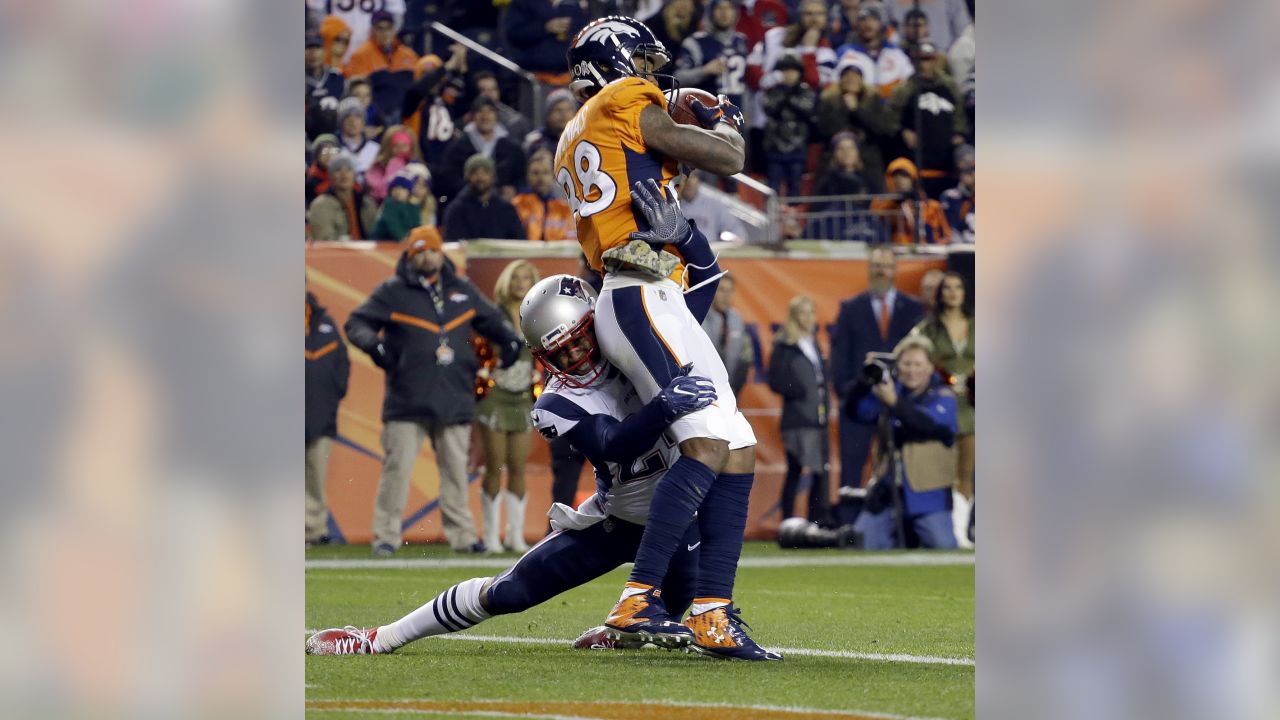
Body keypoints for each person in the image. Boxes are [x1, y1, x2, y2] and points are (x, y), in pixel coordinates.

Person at [308, 260, 777, 660]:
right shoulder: (553, 403)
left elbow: (698, 294)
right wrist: (664, 407)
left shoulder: (637, 347)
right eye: (560, 351)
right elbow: (615, 443)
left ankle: (615, 637)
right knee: (511, 592)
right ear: (543, 357)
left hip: (676, 523)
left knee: (681, 611)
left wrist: (690, 241)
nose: (575, 357)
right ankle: (378, 638)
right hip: (617, 522)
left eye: (578, 340)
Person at [556, 20, 765, 655]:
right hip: (639, 291)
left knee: (739, 443)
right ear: (615, 64)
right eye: (641, 60)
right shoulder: (621, 101)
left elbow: (641, 166)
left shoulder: (581, 128)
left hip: (649, 289)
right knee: (703, 442)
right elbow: (728, 158)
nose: (652, 73)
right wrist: (724, 120)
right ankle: (639, 598)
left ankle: (711, 608)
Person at [343, 227, 524, 555]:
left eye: (432, 251)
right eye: (420, 251)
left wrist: (509, 339)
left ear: (442, 253)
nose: (427, 257)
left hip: (453, 395)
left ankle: (464, 537)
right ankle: (386, 535)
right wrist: (376, 347)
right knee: (397, 469)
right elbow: (356, 323)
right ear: (410, 255)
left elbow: (493, 320)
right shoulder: (392, 290)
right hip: (406, 396)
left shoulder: (462, 290)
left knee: (456, 472)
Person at [845, 334, 958, 549]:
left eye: (918, 364)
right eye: (906, 364)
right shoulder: (889, 390)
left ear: (930, 367)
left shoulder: (943, 396)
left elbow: (926, 423)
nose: (911, 370)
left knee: (943, 546)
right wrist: (863, 382)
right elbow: (856, 412)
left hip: (928, 493)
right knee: (860, 543)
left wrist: (893, 402)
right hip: (888, 492)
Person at [830, 245, 923, 490]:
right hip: (859, 401)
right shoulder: (851, 307)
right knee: (851, 471)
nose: (881, 270)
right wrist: (848, 392)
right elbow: (840, 353)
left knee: (902, 470)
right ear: (869, 269)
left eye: (886, 266)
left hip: (899, 400)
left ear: (895, 270)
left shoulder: (914, 308)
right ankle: (849, 525)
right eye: (877, 265)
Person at [474, 261, 542, 554]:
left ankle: (515, 536)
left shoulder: (537, 313)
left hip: (524, 396)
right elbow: (478, 347)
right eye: (515, 277)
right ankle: (491, 536)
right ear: (506, 281)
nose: (520, 282)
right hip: (495, 394)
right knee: (494, 465)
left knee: (517, 466)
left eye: (526, 277)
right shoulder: (493, 313)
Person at [909, 271, 975, 548]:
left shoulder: (977, 324)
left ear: (964, 292)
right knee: (943, 470)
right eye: (947, 288)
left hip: (972, 406)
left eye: (957, 287)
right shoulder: (929, 327)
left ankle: (960, 532)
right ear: (940, 294)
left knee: (967, 471)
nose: (952, 292)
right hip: (940, 405)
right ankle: (947, 530)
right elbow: (908, 350)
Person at [745, 0, 838, 161]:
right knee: (760, 178)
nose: (814, 19)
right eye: (809, 13)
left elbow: (813, 84)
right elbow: (751, 69)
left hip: (799, 129)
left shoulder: (825, 50)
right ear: (798, 15)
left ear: (826, 18)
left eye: (819, 14)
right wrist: (770, 79)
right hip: (764, 120)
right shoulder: (774, 36)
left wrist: (809, 49)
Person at [767, 296, 831, 525]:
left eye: (811, 312)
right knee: (796, 470)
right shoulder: (785, 345)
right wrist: (799, 390)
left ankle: (815, 521)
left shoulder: (813, 343)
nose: (808, 318)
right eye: (803, 313)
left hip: (816, 417)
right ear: (794, 317)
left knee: (818, 472)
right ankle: (788, 522)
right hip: (797, 418)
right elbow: (775, 380)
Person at [888, 41, 968, 198]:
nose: (924, 64)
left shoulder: (950, 87)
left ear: (936, 60)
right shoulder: (904, 90)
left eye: (928, 59)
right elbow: (890, 121)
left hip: (947, 163)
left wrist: (959, 133)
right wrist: (902, 132)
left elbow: (960, 115)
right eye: (920, 60)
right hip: (918, 164)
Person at [305, 286, 350, 545]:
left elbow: (342, 363)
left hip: (319, 412)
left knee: (315, 477)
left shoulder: (323, 322)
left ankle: (314, 530)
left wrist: (332, 393)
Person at [815, 57, 893, 191]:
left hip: (868, 155)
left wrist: (857, 110)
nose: (851, 79)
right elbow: (825, 130)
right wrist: (844, 108)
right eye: (847, 75)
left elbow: (882, 128)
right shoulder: (829, 99)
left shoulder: (873, 99)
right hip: (836, 155)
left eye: (855, 75)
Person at [438, 96, 527, 203]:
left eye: (489, 111)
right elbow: (449, 178)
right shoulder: (457, 148)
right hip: (467, 206)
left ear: (496, 116)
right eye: (480, 111)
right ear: (472, 116)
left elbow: (521, 176)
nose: (485, 116)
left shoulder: (512, 148)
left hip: (503, 205)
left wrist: (514, 189)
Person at [675, 0, 750, 112]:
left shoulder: (741, 41)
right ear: (710, 12)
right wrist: (705, 70)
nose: (724, 12)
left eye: (729, 8)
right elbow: (678, 77)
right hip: (704, 115)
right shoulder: (696, 42)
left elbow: (745, 83)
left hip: (735, 114)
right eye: (719, 8)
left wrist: (747, 110)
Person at [833, 2, 913, 99]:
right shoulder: (845, 51)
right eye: (863, 19)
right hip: (859, 108)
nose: (868, 24)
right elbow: (833, 86)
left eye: (873, 19)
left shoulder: (896, 52)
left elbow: (909, 82)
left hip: (893, 109)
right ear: (857, 24)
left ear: (881, 23)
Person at [762, 54, 816, 198]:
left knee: (795, 185)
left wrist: (789, 97)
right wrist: (783, 96)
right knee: (772, 186)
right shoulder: (773, 90)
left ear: (799, 72)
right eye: (785, 71)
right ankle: (771, 215)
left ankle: (793, 215)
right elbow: (768, 108)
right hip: (775, 145)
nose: (789, 75)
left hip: (797, 145)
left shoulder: (805, 91)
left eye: (793, 71)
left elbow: (807, 109)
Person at [442, 154, 527, 241]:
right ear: (467, 177)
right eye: (474, 173)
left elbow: (519, 241)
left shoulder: (506, 209)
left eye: (485, 172)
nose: (480, 177)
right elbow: (452, 243)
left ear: (493, 176)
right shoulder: (456, 210)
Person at [504, 0, 588, 86]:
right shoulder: (523, 2)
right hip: (535, 78)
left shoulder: (573, 3)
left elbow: (584, 34)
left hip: (571, 76)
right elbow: (513, 35)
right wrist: (545, 27)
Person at [870, 157, 952, 244]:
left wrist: (936, 247)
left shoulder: (933, 206)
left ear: (913, 178)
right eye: (895, 176)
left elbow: (947, 236)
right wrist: (896, 200)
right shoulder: (881, 202)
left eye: (904, 175)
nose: (899, 180)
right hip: (900, 253)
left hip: (930, 252)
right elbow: (878, 217)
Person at [701, 273, 753, 400]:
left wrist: (736, 386)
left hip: (730, 390)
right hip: (704, 390)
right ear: (713, 291)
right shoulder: (701, 316)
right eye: (722, 290)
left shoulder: (737, 318)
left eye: (730, 291)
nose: (726, 296)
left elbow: (745, 356)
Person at [307, 0, 406, 65]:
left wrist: (382, 39)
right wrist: (332, 36)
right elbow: (315, 13)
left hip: (372, 47)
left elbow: (397, 15)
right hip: (338, 45)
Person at [307, 152, 378, 241]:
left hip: (369, 252)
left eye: (348, 170)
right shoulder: (320, 205)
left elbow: (377, 235)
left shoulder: (367, 203)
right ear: (331, 176)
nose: (344, 174)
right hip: (338, 253)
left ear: (354, 175)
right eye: (338, 170)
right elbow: (325, 240)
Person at [512, 150, 577, 241]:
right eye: (535, 173)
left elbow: (571, 238)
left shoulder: (564, 208)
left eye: (545, 173)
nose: (540, 178)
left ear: (552, 176)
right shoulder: (517, 204)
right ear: (527, 176)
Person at [343, 10, 418, 79]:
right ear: (372, 31)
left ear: (394, 30)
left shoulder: (408, 55)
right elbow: (356, 87)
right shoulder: (360, 56)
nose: (385, 33)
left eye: (389, 28)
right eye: (380, 28)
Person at [677, 170, 747, 243]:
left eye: (693, 177)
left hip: (711, 251)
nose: (689, 182)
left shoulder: (715, 204)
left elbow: (739, 234)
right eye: (683, 178)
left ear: (698, 180)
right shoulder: (669, 206)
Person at [884, 0, 971, 55]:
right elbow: (884, 33)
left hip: (944, 59)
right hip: (904, 60)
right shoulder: (890, 2)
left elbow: (963, 34)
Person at [474, 71, 534, 146]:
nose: (489, 94)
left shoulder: (517, 121)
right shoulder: (468, 119)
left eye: (493, 89)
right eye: (483, 90)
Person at [364, 126, 422, 202]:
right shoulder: (379, 165)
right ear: (389, 146)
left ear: (411, 146)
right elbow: (379, 190)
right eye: (396, 145)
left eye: (404, 145)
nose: (400, 149)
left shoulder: (417, 167)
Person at [522, 88, 577, 157]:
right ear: (548, 115)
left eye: (568, 110)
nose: (564, 115)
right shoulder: (534, 141)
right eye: (558, 110)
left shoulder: (583, 139)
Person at [335, 96, 380, 178]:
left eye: (357, 116)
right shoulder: (334, 149)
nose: (352, 122)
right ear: (341, 123)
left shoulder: (376, 148)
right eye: (347, 117)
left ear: (363, 122)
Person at [940, 145, 975, 243]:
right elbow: (951, 229)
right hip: (962, 249)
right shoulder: (949, 196)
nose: (971, 175)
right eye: (966, 172)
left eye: (973, 170)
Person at [370, 174, 420, 241]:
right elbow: (394, 226)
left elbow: (417, 227)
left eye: (403, 188)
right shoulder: (389, 204)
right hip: (383, 242)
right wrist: (405, 239)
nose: (398, 191)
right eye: (395, 188)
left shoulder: (413, 207)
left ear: (409, 192)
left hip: (400, 243)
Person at [305, 134, 340, 207]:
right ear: (317, 156)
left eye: (333, 151)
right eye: (324, 151)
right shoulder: (311, 181)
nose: (329, 155)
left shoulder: (344, 174)